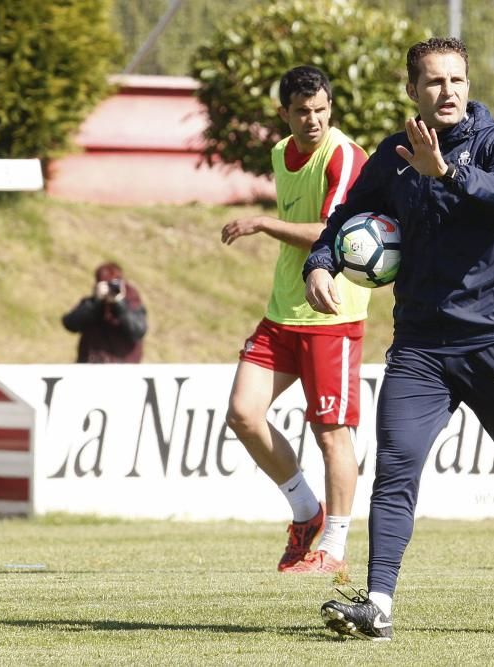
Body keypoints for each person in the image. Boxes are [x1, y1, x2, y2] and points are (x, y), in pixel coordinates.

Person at [304, 37, 494, 639]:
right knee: (395, 469)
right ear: (412, 91)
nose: (446, 91)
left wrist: (448, 172)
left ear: (468, 87)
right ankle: (378, 603)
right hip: (421, 347)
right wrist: (320, 261)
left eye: (456, 80)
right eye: (433, 81)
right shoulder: (395, 155)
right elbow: (347, 215)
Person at [220, 65, 370, 575]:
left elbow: (334, 231)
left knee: (332, 434)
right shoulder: (281, 154)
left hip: (332, 316)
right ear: (284, 113)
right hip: (283, 311)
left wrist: (264, 222)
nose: (314, 120)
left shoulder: (344, 156)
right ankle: (306, 513)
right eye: (303, 111)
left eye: (322, 109)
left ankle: (334, 548)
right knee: (243, 412)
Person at [62, 261, 148, 363]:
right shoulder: (92, 304)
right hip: (91, 365)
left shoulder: (131, 301)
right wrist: (96, 303)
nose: (110, 289)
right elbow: (70, 323)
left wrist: (119, 304)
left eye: (113, 284)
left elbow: (138, 330)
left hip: (122, 368)